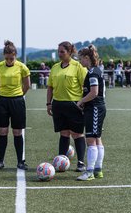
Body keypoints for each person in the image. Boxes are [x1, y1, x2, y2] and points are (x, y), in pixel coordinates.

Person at [46, 41, 87, 172]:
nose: (59, 54)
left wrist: (83, 103)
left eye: (62, 52)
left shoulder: (78, 66)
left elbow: (85, 86)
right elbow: (50, 87)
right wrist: (48, 103)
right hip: (58, 104)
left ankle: (81, 162)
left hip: (74, 105)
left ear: (70, 52)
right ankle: (61, 160)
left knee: (77, 134)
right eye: (58, 51)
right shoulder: (55, 67)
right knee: (63, 133)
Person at [0, 40, 31, 171]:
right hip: (2, 101)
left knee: (17, 132)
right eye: (7, 58)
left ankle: (20, 161)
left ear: (16, 55)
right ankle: (0, 161)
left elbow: (27, 85)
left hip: (17, 101)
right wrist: (3, 94)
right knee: (3, 131)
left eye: (12, 58)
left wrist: (18, 95)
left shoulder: (22, 67)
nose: (9, 61)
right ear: (4, 56)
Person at [76, 45, 106, 181]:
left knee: (91, 140)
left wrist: (81, 101)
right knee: (97, 138)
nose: (79, 61)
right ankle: (98, 170)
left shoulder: (93, 72)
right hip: (96, 108)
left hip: (94, 108)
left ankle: (89, 172)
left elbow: (94, 92)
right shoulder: (95, 70)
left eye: (80, 58)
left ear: (87, 58)